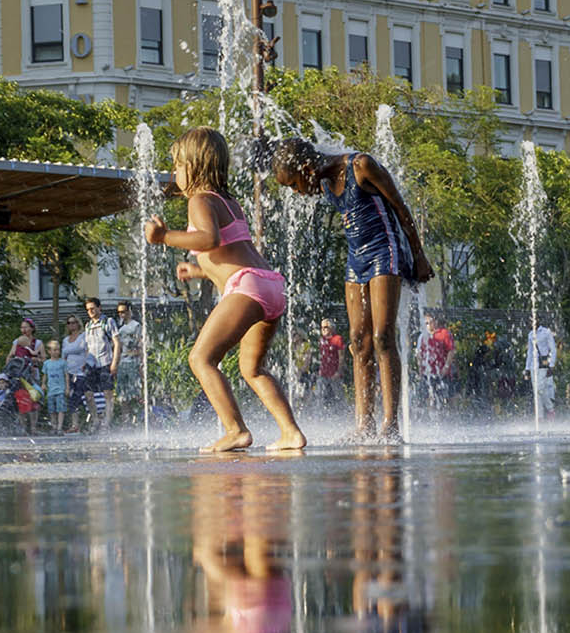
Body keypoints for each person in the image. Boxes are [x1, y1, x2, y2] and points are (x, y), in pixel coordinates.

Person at [145, 127, 306, 452]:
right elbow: (230, 253)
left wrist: (164, 237)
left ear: (193, 165)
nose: (174, 172)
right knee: (253, 369)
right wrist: (200, 271)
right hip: (268, 284)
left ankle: (235, 430)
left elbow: (209, 239)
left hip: (247, 287)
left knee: (201, 358)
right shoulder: (228, 202)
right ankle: (291, 432)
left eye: (177, 165)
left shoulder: (200, 200)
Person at [272, 138, 432, 440]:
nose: (296, 192)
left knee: (382, 337)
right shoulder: (323, 181)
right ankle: (364, 425)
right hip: (356, 260)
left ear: (307, 169)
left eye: (294, 185)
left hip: (385, 251)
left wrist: (419, 255)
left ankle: (390, 424)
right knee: (358, 341)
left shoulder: (361, 166)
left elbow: (399, 206)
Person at [81, 298, 119, 431]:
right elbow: (87, 346)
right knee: (88, 394)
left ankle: (107, 422)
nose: (90, 311)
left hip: (105, 362)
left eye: (92, 308)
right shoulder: (88, 325)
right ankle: (95, 419)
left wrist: (114, 363)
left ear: (99, 308)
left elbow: (117, 343)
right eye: (88, 310)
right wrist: (85, 361)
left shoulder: (108, 322)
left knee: (108, 393)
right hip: (91, 364)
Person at [419, 312, 455, 410]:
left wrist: (446, 367)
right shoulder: (424, 336)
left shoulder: (444, 334)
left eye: (429, 322)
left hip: (442, 372)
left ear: (435, 322)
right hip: (428, 373)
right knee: (427, 397)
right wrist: (420, 369)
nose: (428, 325)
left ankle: (448, 418)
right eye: (426, 323)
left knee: (445, 397)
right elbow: (421, 354)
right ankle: (429, 419)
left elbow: (451, 351)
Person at [114, 301, 143, 413]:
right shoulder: (120, 327)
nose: (121, 315)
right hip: (122, 363)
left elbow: (141, 344)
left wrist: (141, 363)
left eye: (124, 312)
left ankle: (139, 417)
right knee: (122, 393)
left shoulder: (136, 325)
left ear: (129, 311)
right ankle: (125, 419)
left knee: (136, 393)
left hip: (133, 362)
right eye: (119, 312)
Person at [61, 315, 88, 433]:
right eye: (69, 323)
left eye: (74, 322)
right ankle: (75, 425)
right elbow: (63, 356)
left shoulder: (84, 336)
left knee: (83, 397)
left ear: (78, 323)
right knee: (72, 399)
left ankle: (90, 421)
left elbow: (86, 349)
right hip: (69, 373)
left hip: (81, 372)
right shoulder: (65, 340)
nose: (71, 325)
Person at [527, 323, 557, 417]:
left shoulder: (546, 332)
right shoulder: (531, 334)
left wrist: (552, 365)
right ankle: (540, 417)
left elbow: (553, 349)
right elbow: (530, 352)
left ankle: (550, 408)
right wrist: (527, 368)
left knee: (540, 389)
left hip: (543, 365)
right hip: (533, 366)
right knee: (536, 392)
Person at [315, 318, 345, 410]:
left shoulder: (337, 339)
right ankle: (319, 416)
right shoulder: (321, 340)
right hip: (323, 373)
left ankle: (345, 414)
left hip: (334, 373)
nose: (323, 329)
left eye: (326, 327)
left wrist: (338, 371)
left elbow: (342, 357)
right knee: (320, 395)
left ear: (332, 328)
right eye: (322, 327)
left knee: (339, 396)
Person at [43, 339, 69, 433]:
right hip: (51, 390)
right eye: (54, 350)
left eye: (58, 350)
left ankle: (59, 427)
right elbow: (45, 375)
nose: (57, 352)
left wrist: (67, 388)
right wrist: (43, 384)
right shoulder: (46, 363)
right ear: (49, 351)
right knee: (51, 410)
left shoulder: (63, 362)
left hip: (60, 389)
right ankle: (53, 426)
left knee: (61, 409)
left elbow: (66, 375)